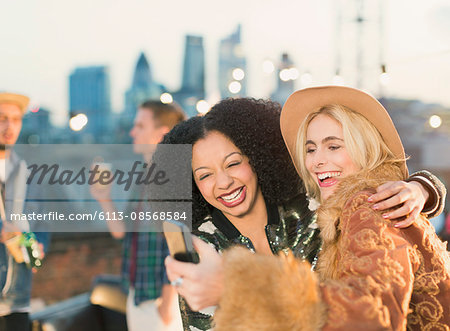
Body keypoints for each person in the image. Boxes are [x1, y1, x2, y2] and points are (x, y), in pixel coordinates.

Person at [160, 98, 445, 331]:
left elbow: (373, 303)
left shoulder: (313, 211)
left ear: (258, 157)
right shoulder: (202, 248)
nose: (223, 182)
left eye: (233, 163)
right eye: (205, 175)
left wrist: (422, 186)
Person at [91, 100, 185, 331]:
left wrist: (167, 301)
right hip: (138, 293)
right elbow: (121, 233)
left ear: (162, 134)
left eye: (140, 126)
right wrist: (104, 198)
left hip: (162, 300)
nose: (132, 132)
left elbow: (179, 240)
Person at [0, 92, 49, 331]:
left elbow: (42, 227)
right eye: (2, 118)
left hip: (17, 300)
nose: (9, 126)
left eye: (16, 119)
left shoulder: (28, 176)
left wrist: (38, 247)